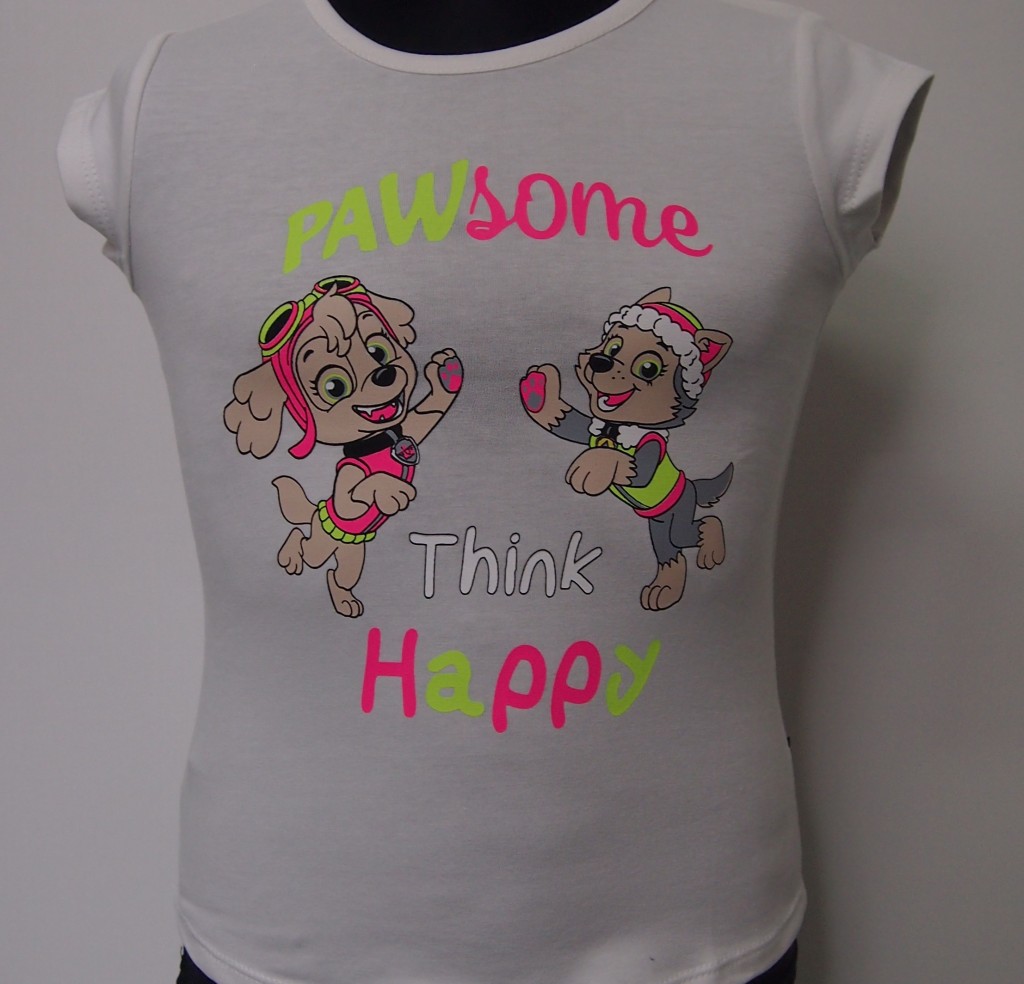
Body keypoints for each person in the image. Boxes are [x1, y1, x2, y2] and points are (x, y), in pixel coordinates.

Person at [58, 1, 932, 982]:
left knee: (677, 516)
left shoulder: (804, 95)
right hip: (282, 930)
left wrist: (461, 405)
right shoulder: (169, 105)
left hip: (688, 925)